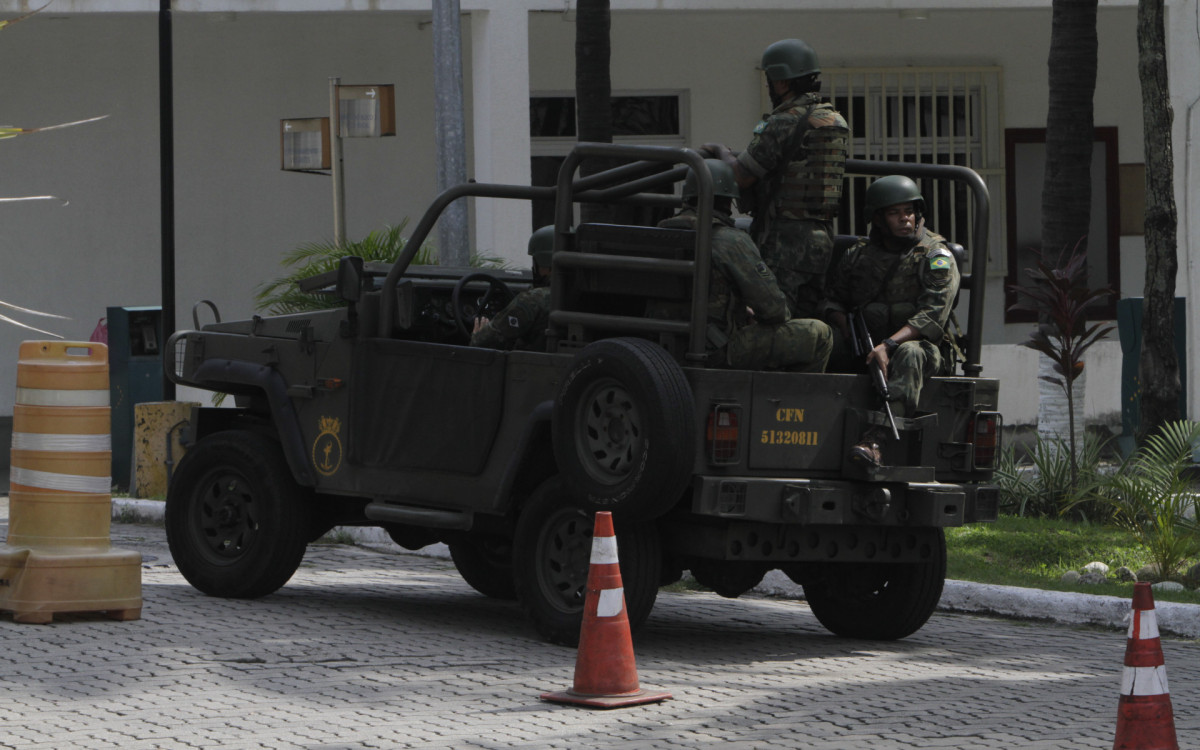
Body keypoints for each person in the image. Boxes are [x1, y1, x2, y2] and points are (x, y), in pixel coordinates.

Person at [702, 38, 849, 319]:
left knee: (777, 319)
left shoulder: (783, 121)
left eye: (770, 81)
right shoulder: (835, 121)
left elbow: (741, 176)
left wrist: (720, 151)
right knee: (810, 319)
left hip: (784, 242)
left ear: (781, 82)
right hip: (821, 238)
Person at [822, 175, 961, 467]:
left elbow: (932, 315)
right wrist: (845, 329)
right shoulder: (858, 255)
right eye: (894, 213)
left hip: (921, 349)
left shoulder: (936, 256)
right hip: (865, 343)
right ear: (878, 219)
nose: (904, 219)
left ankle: (876, 441)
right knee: (820, 339)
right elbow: (832, 300)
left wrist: (887, 345)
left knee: (910, 354)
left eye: (909, 211)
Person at [656, 158, 831, 372]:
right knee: (820, 334)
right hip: (715, 351)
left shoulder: (660, 233)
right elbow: (774, 310)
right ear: (728, 199)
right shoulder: (731, 240)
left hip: (658, 349)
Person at [469, 225, 555, 351]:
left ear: (545, 263)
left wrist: (477, 335)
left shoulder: (532, 300)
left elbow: (482, 343)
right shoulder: (580, 297)